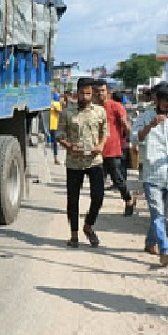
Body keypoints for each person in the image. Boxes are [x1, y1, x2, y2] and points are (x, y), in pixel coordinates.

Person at [131, 82, 168, 266]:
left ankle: (150, 242)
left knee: (161, 213)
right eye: (166, 104)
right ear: (156, 100)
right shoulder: (145, 117)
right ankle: (165, 249)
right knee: (157, 214)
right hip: (152, 175)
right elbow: (134, 138)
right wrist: (150, 126)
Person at [56, 77, 108, 248]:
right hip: (74, 162)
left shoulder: (100, 111)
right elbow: (59, 135)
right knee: (73, 199)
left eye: (88, 93)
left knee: (98, 197)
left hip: (94, 160)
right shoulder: (66, 112)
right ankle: (74, 235)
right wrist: (69, 146)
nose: (85, 97)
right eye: (82, 93)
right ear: (77, 93)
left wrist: (100, 145)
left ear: (92, 94)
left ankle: (88, 226)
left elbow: (104, 133)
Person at [96, 81, 136, 215]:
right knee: (97, 181)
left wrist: (132, 140)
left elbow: (125, 124)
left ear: (108, 92)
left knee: (117, 178)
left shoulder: (116, 106)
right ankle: (95, 209)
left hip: (113, 149)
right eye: (98, 91)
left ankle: (128, 199)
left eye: (102, 90)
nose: (100, 93)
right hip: (97, 150)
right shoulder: (94, 108)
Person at [48, 91, 63, 164]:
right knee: (55, 143)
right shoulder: (57, 103)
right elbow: (59, 111)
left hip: (50, 125)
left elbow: (58, 111)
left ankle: (55, 157)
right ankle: (55, 158)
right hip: (54, 126)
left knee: (54, 142)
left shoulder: (52, 103)